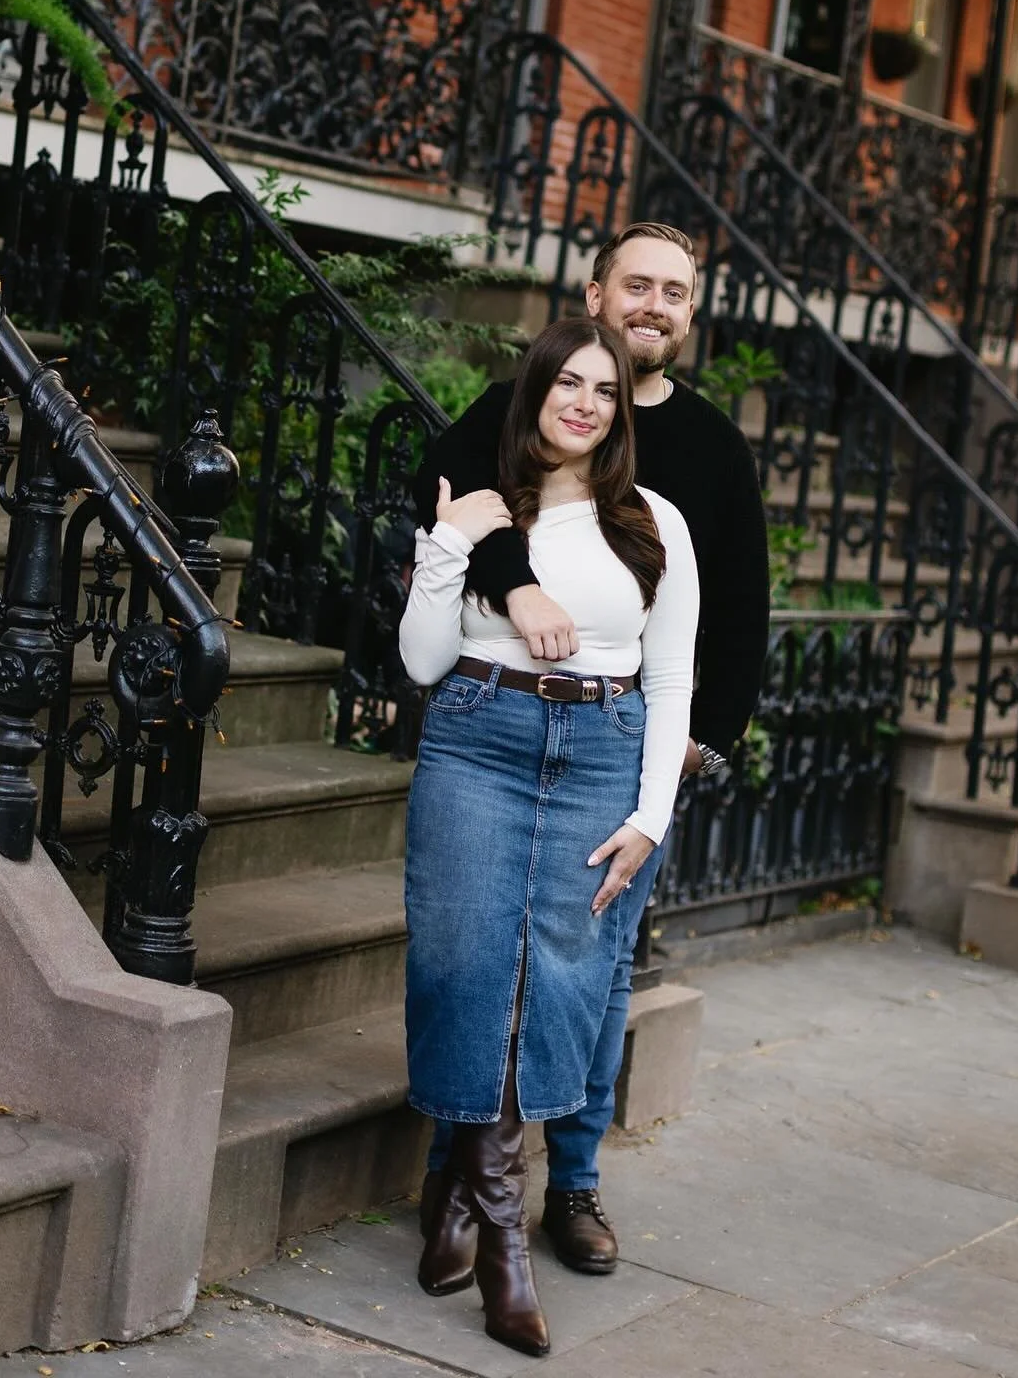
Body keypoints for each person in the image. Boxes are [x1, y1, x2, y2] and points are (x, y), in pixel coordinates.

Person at [411, 221, 770, 1280]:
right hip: (501, 726)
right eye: (637, 285)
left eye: (675, 291)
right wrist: (513, 580)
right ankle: (460, 1185)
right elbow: (450, 507)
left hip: (634, 747)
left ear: (690, 315)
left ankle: (571, 1184)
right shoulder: (527, 406)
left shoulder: (706, 450)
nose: (654, 305)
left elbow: (733, 616)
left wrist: (699, 750)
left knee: (596, 972)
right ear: (597, 291)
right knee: (479, 956)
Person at [399, 316, 699, 1358]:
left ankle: (457, 1200)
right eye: (566, 383)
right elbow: (422, 661)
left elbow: (670, 679)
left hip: (602, 756)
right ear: (533, 393)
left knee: (557, 984)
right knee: (465, 965)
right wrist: (447, 550)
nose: (583, 402)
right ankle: (504, 1238)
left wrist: (649, 819)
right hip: (479, 739)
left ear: (620, 413)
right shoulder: (484, 513)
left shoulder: (652, 523)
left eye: (604, 390)